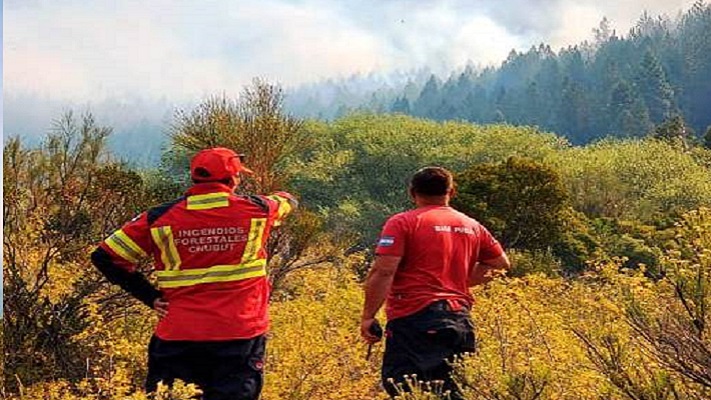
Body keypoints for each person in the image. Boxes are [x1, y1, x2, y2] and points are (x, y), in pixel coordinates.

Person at [91, 147, 297, 400]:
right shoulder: (258, 209)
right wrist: (283, 196)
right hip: (239, 335)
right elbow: (286, 202)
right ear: (232, 179)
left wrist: (149, 297)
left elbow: (104, 257)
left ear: (194, 177)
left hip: (178, 336)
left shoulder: (158, 218)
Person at [360, 166, 510, 399]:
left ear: (412, 192)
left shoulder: (402, 222)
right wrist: (456, 281)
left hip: (415, 318)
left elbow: (383, 271)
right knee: (453, 391)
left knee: (405, 389)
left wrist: (368, 316)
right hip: (459, 319)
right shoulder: (471, 225)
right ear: (451, 192)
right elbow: (500, 264)